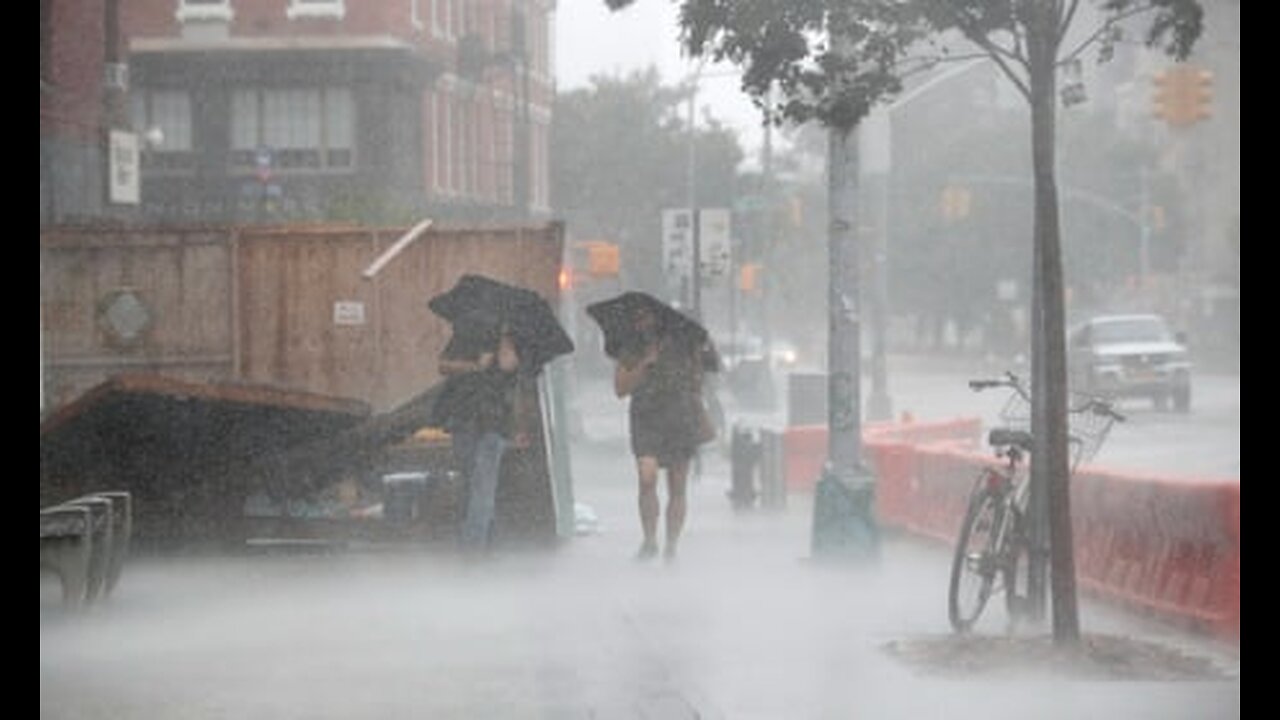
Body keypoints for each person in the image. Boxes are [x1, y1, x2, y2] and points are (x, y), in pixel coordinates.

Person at [613, 307, 708, 562]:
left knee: (678, 486)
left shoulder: (686, 347)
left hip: (679, 418)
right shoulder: (631, 349)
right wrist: (645, 364)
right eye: (640, 320)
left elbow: (698, 383)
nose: (644, 324)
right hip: (646, 419)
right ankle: (650, 539)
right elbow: (620, 389)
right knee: (647, 479)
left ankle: (672, 546)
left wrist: (694, 367)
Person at [435, 314, 525, 557]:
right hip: (464, 418)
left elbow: (511, 371)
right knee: (470, 483)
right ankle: (487, 541)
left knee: (483, 485)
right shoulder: (466, 336)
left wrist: (518, 426)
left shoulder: (511, 343)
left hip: (493, 423)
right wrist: (475, 366)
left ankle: (472, 548)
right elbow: (443, 364)